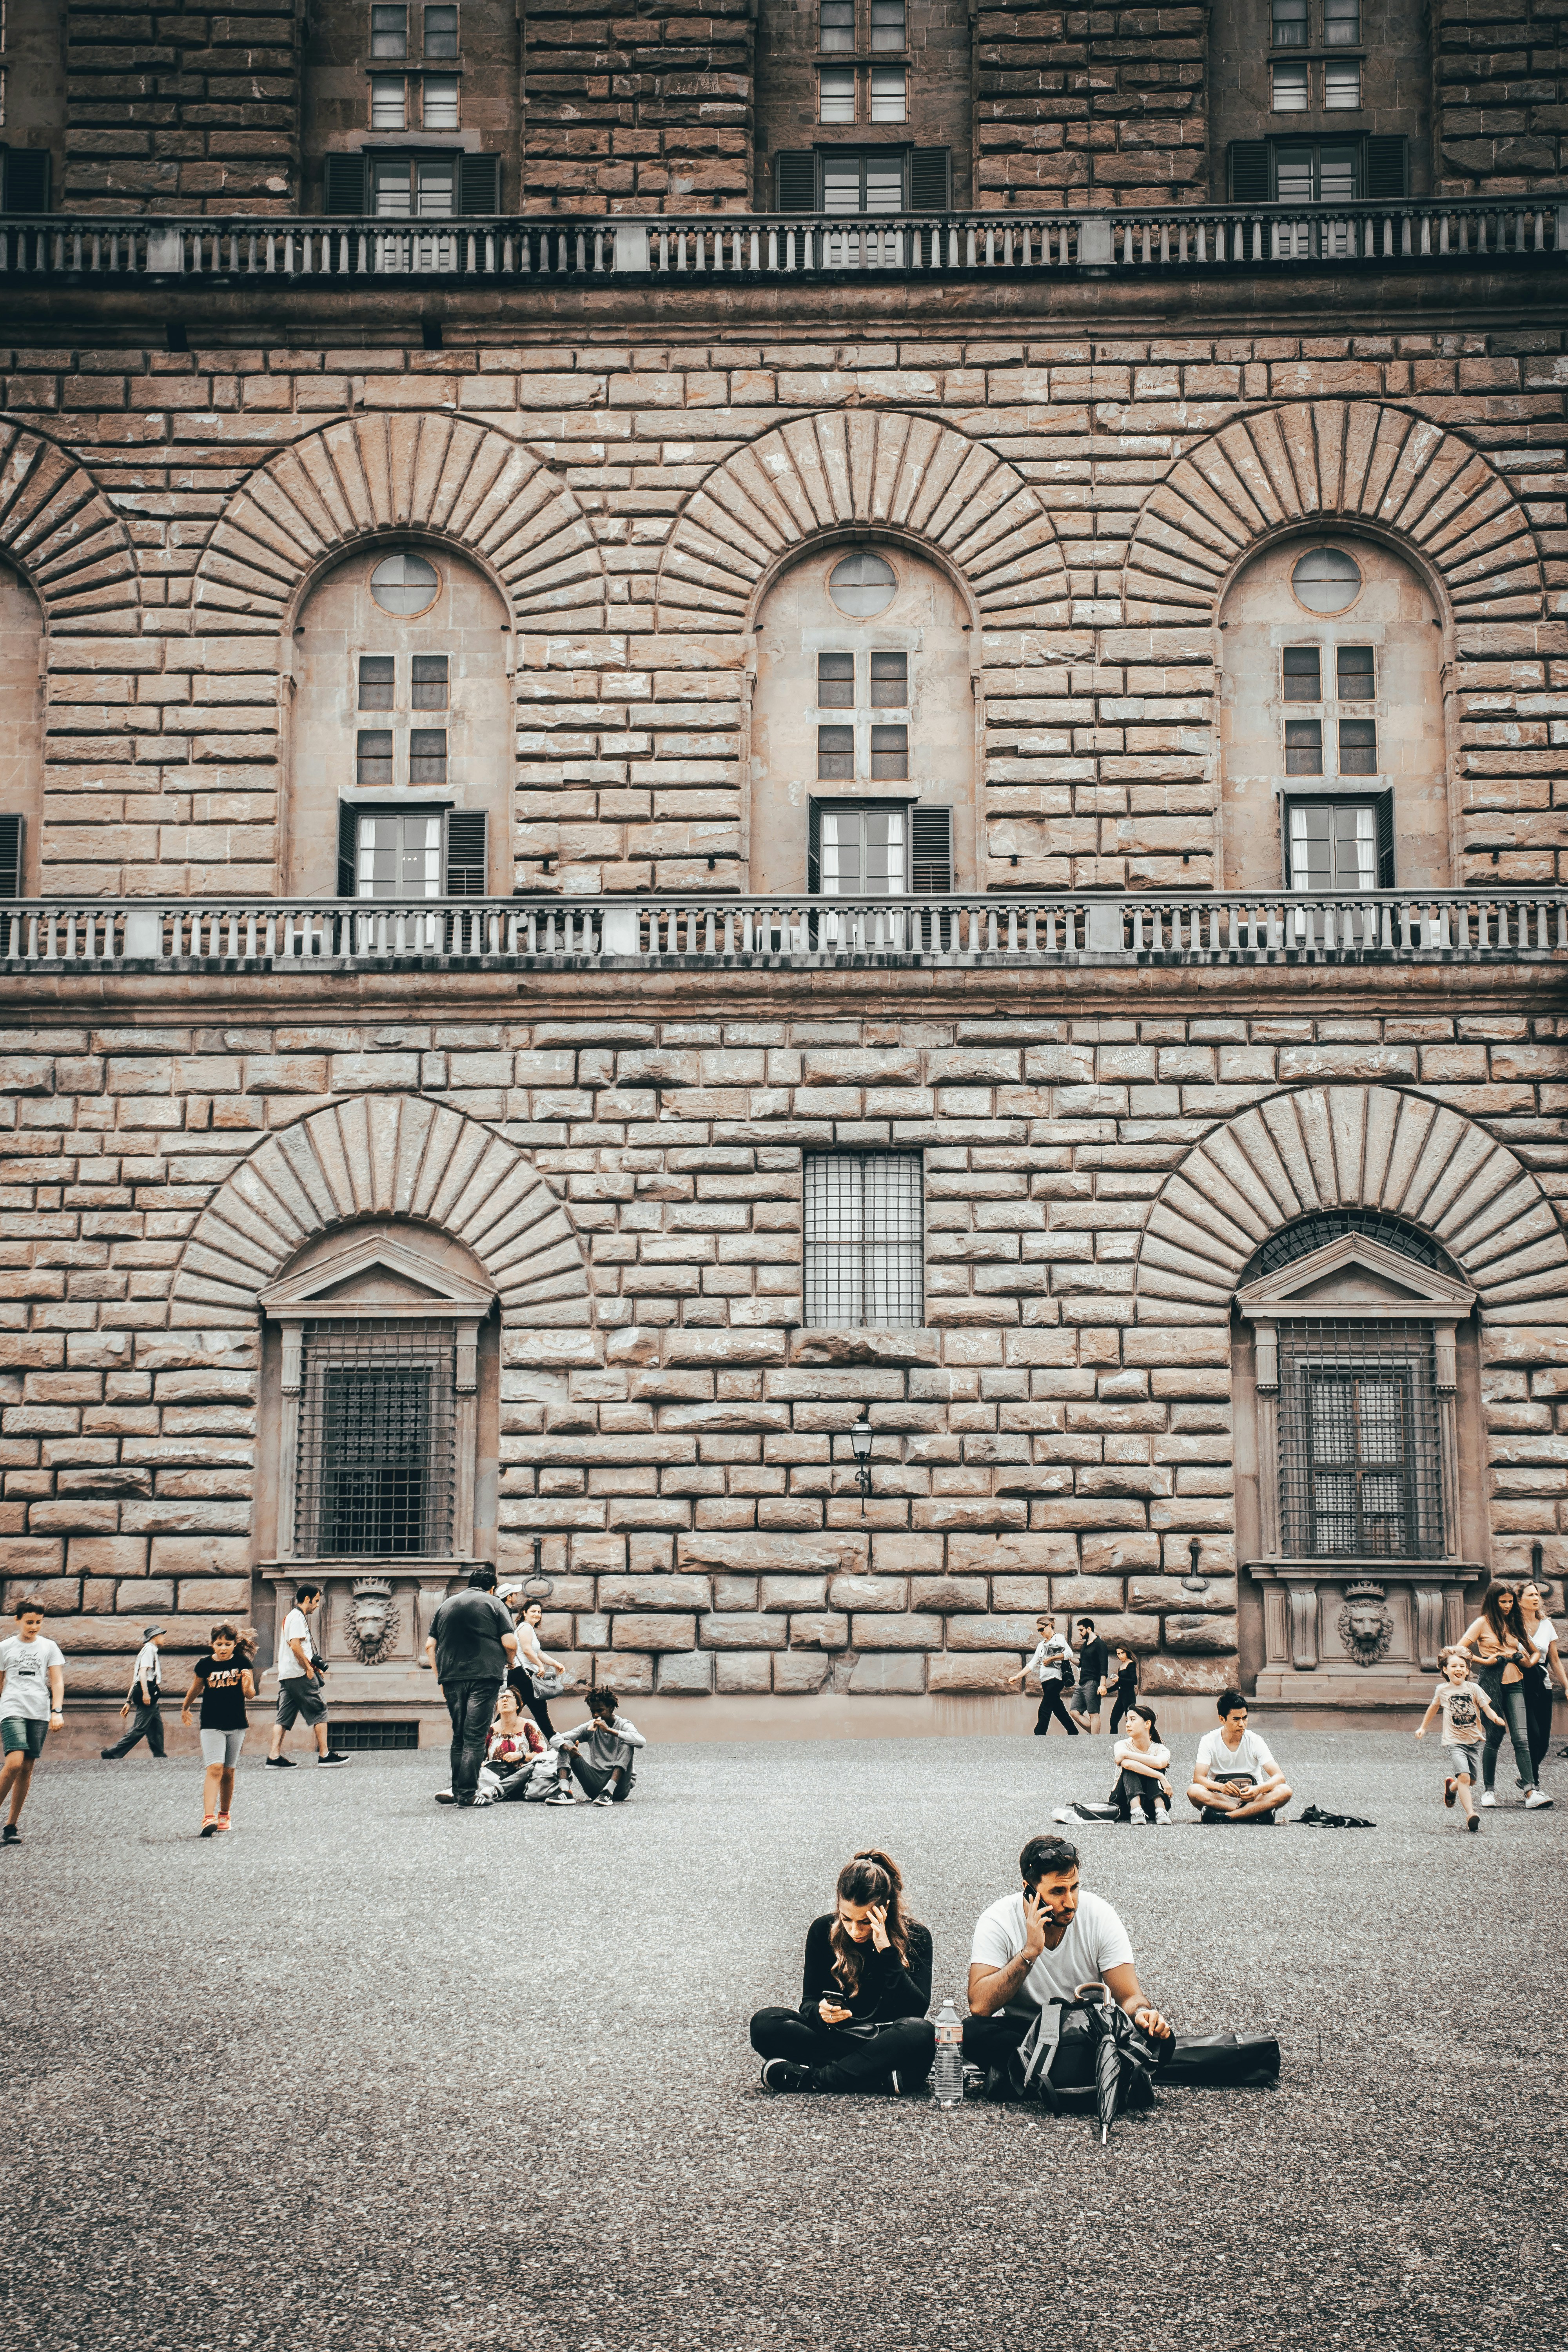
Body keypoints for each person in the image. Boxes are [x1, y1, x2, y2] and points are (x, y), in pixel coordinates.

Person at [962, 1833, 1171, 2083]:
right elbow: (980, 2005)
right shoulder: (998, 1920)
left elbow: (1128, 1996)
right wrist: (1029, 1953)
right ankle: (1092, 2074)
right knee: (970, 2032)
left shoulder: (1100, 1915)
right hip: (1029, 2033)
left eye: (1075, 1888)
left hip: (1087, 2032)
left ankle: (1033, 2075)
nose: (1070, 1903)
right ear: (1029, 1891)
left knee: (1161, 2040)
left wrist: (1142, 2013)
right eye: (1058, 1891)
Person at [751, 1849, 936, 2096]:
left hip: (884, 2040)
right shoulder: (822, 1930)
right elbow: (808, 2002)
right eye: (847, 1918)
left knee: (921, 2032)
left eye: (866, 1921)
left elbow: (916, 2011)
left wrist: (887, 1951)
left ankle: (814, 2080)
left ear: (886, 1910)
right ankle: (874, 2079)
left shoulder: (917, 1937)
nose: (855, 1930)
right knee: (764, 2023)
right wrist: (820, 2012)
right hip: (836, 2038)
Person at [425, 1565, 519, 1808]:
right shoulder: (494, 1603)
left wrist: (440, 1677)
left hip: (451, 1676)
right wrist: (509, 1660)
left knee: (459, 1736)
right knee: (475, 1737)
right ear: (492, 1587)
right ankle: (467, 1795)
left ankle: (458, 1790)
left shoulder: (446, 1605)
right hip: (484, 1675)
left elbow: (429, 1646)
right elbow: (510, 1641)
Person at [1456, 1582, 1548, 1809]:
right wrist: (1483, 1661)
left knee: (1521, 1738)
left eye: (1510, 1601)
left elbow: (1535, 1653)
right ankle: (1489, 1791)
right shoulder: (1482, 1623)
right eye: (1503, 1601)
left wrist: (1525, 1660)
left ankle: (1530, 1791)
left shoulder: (1516, 1622)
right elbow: (1459, 1650)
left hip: (1515, 1683)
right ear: (1493, 1601)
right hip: (1490, 1683)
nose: (1508, 1606)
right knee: (1495, 1736)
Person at [0, 1598, 66, 1848]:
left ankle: (11, 1825)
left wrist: (57, 1710)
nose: (34, 1627)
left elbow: (57, 1681)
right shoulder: (5, 1647)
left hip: (39, 1711)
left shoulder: (49, 1647)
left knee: (27, 1769)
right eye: (29, 1622)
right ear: (17, 1621)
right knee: (14, 1762)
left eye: (39, 1622)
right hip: (12, 1708)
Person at [180, 1622, 256, 1838]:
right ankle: (208, 1818)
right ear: (212, 1644)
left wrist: (248, 1684)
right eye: (219, 1644)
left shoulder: (242, 1662)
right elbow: (196, 1688)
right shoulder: (205, 1665)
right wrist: (185, 1707)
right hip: (212, 1724)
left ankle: (224, 1815)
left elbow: (249, 1694)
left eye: (228, 1644)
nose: (223, 1648)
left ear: (234, 1645)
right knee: (215, 1768)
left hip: (237, 1724)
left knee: (229, 1772)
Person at [1416, 1649, 1505, 1832]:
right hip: (1454, 1741)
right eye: (1454, 1666)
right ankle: (1471, 1815)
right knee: (1464, 1777)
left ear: (1467, 1671)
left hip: (1473, 1741)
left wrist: (1496, 1718)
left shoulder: (1474, 1688)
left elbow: (1486, 1707)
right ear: (1446, 1670)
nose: (1459, 1669)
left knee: (1471, 1781)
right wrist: (1423, 1727)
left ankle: (1451, 1788)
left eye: (1462, 1666)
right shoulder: (1442, 1690)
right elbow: (1433, 1708)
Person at [266, 1584, 348, 1770]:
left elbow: (300, 1648)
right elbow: (295, 1646)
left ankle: (273, 1757)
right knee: (320, 1709)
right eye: (316, 1601)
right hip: (299, 1674)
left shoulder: (293, 1617)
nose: (317, 1606)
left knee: (284, 1715)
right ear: (307, 1599)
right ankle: (325, 1755)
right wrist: (308, 1670)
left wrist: (313, 1666)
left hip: (289, 1675)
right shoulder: (296, 1618)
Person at [1187, 1691, 1294, 1822]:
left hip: (1253, 1798)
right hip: (1223, 1800)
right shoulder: (1209, 1741)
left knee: (1285, 1791)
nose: (1242, 1724)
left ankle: (1227, 1817)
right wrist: (1221, 1787)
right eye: (1236, 1719)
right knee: (1194, 1792)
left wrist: (1258, 1789)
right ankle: (1254, 1814)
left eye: (1245, 1718)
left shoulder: (1255, 1740)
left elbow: (1279, 1777)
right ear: (1222, 1719)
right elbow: (1198, 1778)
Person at [547, 1688, 645, 1805]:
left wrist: (609, 1730)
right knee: (564, 1744)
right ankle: (565, 1791)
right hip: (595, 1784)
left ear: (611, 1709)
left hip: (619, 1788)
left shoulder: (623, 1724)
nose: (596, 1715)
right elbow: (555, 1739)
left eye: (600, 1710)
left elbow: (641, 1742)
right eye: (593, 1711)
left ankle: (608, 1792)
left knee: (627, 1745)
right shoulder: (590, 1727)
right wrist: (567, 1747)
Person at [1517, 1578, 1566, 1793]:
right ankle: (1532, 1783)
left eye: (1537, 1594)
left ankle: (1527, 1777)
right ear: (1520, 1601)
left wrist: (1566, 1685)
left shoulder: (1547, 1625)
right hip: (1519, 1686)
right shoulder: (1513, 1626)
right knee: (1533, 1736)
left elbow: (1555, 1660)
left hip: (1543, 1686)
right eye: (1530, 1595)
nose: (1536, 1598)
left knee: (1545, 1741)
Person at [101, 1624, 167, 1761]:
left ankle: (160, 1754)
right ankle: (112, 1753)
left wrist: (128, 1701)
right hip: (148, 1691)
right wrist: (146, 1693)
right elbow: (142, 1673)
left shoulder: (148, 1650)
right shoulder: (149, 1650)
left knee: (156, 1724)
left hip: (147, 1691)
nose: (164, 1637)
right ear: (155, 1637)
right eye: (162, 1635)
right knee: (140, 1728)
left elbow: (135, 1679)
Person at [506, 1596, 568, 1742]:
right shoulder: (526, 1627)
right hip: (523, 1673)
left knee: (514, 1707)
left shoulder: (529, 1629)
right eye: (533, 1611)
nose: (537, 1614)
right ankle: (555, 1740)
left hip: (521, 1673)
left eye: (539, 1612)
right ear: (525, 1613)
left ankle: (493, 1737)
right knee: (539, 1709)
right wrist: (541, 1666)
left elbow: (538, 1653)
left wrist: (555, 1664)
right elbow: (527, 1650)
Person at [1005, 1614, 1078, 1737]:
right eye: (1038, 1630)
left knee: (1045, 1707)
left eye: (1042, 1629)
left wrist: (1052, 1659)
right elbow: (1032, 1664)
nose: (1040, 1632)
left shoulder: (1058, 1638)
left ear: (1050, 1626)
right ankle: (1073, 1731)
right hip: (1046, 1682)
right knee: (1058, 1709)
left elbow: (1069, 1653)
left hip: (1057, 1679)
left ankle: (1039, 1733)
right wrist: (1018, 1677)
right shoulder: (1041, 1645)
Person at [1111, 1702, 1171, 1824]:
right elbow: (1127, 1765)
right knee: (1131, 1767)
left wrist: (1126, 1755)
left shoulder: (1161, 1749)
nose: (1128, 1725)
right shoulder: (1122, 1745)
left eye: (1133, 1720)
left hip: (1150, 1808)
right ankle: (1136, 1809)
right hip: (1123, 1804)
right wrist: (1160, 1777)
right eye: (1127, 1721)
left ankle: (1161, 1809)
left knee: (1152, 1766)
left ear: (1147, 1724)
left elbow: (1160, 1763)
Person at [1067, 1617, 1109, 1733]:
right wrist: (1069, 1658)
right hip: (1082, 1683)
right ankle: (1095, 1734)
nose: (1080, 1633)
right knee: (1074, 1712)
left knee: (1093, 1713)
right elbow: (1082, 1663)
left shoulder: (1100, 1644)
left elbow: (1104, 1666)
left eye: (1081, 1630)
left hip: (1093, 1683)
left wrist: (1103, 1685)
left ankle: (1095, 1740)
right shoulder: (1085, 1645)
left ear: (1089, 1629)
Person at [1106, 1643, 1139, 1735]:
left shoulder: (1131, 1664)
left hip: (1129, 1698)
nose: (1120, 1656)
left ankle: (1134, 1742)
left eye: (1122, 1653)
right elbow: (1118, 1686)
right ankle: (1112, 1742)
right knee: (1113, 1721)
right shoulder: (1121, 1667)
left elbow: (1134, 1681)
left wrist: (1119, 1679)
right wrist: (1106, 1690)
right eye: (1118, 1654)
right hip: (1121, 1698)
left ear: (1127, 1652)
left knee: (1131, 1722)